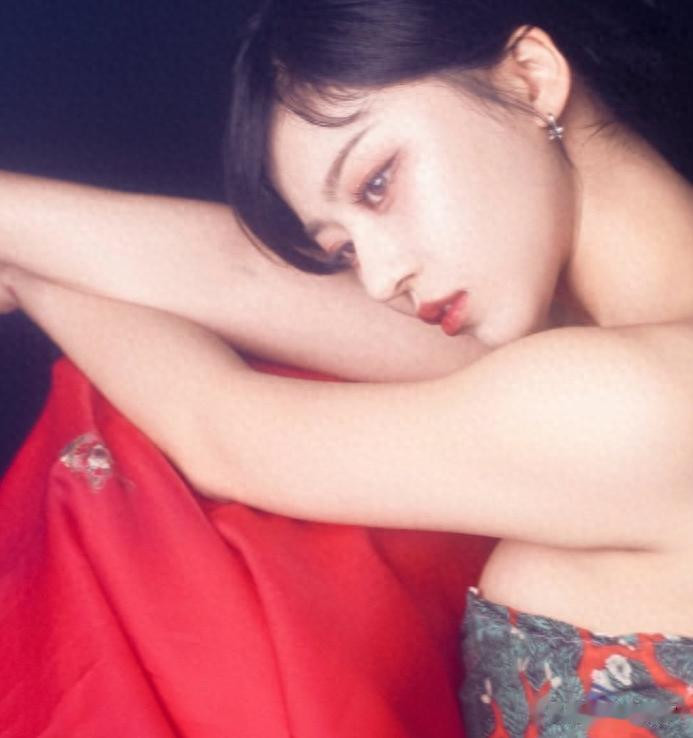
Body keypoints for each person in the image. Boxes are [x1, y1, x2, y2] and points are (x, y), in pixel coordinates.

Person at [1, 0, 692, 735]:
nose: (380, 277)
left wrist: (29, 277)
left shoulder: (644, 402)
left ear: (529, 75)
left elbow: (224, 432)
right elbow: (245, 281)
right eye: (344, 249)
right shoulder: (599, 345)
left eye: (377, 183)